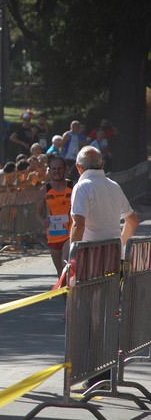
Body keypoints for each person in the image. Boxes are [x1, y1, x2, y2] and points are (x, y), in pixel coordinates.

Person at [70, 146, 139, 388]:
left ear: (79, 167)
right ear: (102, 165)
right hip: (111, 258)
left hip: (89, 259)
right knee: (105, 314)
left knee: (86, 316)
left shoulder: (82, 186)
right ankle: (102, 369)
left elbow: (77, 223)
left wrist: (71, 258)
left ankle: (91, 370)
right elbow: (132, 219)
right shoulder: (112, 186)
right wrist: (120, 245)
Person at [36, 156, 72, 277]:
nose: (57, 171)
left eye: (60, 168)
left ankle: (73, 293)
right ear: (50, 171)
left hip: (70, 234)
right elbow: (37, 213)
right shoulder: (45, 190)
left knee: (65, 266)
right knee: (60, 273)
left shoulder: (73, 187)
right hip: (54, 235)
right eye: (54, 169)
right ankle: (66, 295)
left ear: (65, 170)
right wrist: (42, 221)